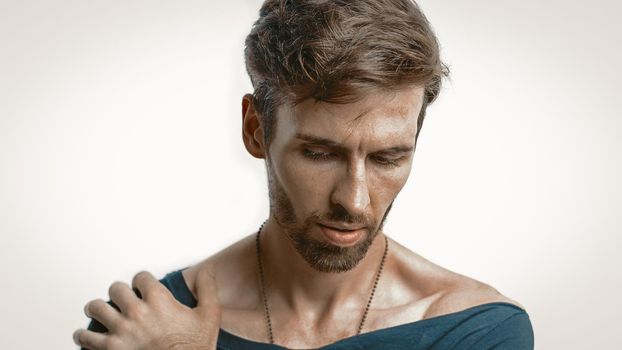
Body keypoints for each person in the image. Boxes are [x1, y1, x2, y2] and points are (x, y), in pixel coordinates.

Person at [73, 0, 535, 349]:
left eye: (387, 158)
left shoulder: (478, 329)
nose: (354, 202)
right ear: (256, 130)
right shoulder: (145, 322)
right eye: (319, 153)